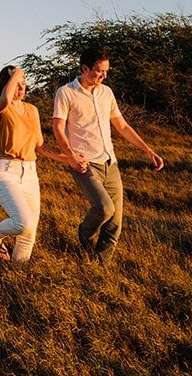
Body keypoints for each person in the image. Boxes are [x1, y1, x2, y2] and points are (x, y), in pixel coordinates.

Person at [52, 46, 164, 265]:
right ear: (85, 68)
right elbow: (58, 128)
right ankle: (84, 234)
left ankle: (102, 266)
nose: (104, 76)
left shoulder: (107, 92)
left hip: (109, 162)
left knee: (115, 223)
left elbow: (121, 126)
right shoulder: (66, 92)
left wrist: (147, 150)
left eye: (106, 71)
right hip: (84, 163)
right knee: (104, 208)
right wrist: (71, 156)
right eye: (99, 71)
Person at [0, 64, 72, 262]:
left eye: (23, 84)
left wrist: (70, 159)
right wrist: (16, 73)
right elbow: (6, 98)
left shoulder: (32, 110)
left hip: (30, 173)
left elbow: (41, 146)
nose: (21, 88)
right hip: (3, 171)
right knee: (23, 223)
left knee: (29, 232)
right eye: (16, 84)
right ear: (6, 85)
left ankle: (16, 273)